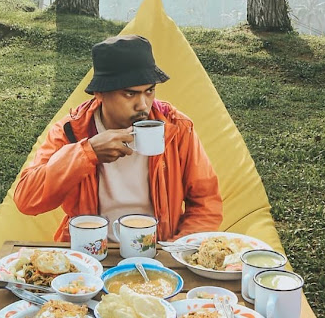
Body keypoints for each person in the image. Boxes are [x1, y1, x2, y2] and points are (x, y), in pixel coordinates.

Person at [13, 34, 223, 243]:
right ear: (100, 94)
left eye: (149, 91)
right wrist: (87, 153)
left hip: (159, 250)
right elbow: (26, 199)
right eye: (130, 94)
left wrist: (177, 249)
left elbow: (206, 203)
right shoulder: (71, 131)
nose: (143, 104)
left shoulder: (176, 127)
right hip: (90, 252)